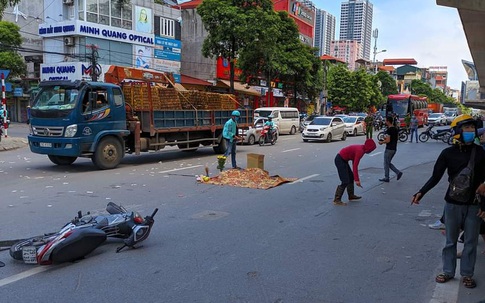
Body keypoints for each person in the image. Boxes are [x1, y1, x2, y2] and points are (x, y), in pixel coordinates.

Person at [411, 114, 485, 289]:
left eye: (472, 128)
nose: (470, 131)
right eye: (466, 127)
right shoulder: (447, 153)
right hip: (452, 204)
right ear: (457, 130)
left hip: (474, 204)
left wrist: (484, 205)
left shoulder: (480, 152)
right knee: (450, 241)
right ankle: (448, 271)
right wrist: (421, 192)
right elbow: (435, 177)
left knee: (470, 242)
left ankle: (467, 274)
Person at [333, 138, 377, 206]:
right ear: (369, 148)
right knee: (345, 181)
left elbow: (354, 162)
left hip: (344, 160)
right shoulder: (360, 151)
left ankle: (351, 195)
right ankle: (337, 199)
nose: (370, 151)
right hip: (340, 160)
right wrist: (357, 180)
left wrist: (355, 178)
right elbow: (355, 166)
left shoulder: (361, 148)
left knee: (350, 177)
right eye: (371, 150)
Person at [378, 116, 403, 182]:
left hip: (389, 148)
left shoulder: (389, 130)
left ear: (388, 121)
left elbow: (388, 140)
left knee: (386, 163)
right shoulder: (395, 129)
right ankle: (397, 173)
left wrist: (382, 142)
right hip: (394, 148)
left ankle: (388, 177)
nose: (385, 122)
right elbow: (396, 138)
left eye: (386, 121)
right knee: (388, 163)